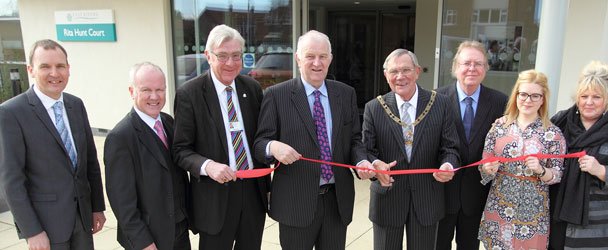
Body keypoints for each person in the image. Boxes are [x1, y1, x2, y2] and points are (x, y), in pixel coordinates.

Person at [253, 30, 374, 250]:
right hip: (295, 203)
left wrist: (361, 162)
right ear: (298, 58)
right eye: (310, 56)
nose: (317, 63)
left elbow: (355, 140)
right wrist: (274, 146)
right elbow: (260, 144)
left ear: (330, 58)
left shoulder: (346, 94)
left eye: (322, 56)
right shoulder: (276, 95)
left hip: (337, 202)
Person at [0, 39, 106, 249]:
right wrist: (32, 231)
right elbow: (11, 182)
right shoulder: (11, 113)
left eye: (60, 66)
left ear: (68, 69)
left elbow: (90, 163)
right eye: (45, 67)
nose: (54, 73)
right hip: (47, 227)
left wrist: (97, 207)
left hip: (83, 220)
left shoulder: (76, 105)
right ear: (31, 70)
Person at [173, 24, 270, 249]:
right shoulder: (190, 94)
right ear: (208, 56)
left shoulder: (252, 88)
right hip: (214, 198)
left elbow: (260, 138)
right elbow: (180, 150)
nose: (230, 63)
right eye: (223, 56)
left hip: (252, 192)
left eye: (236, 56)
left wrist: (268, 188)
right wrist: (208, 166)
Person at [362, 48, 458, 250]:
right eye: (393, 71)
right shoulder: (374, 108)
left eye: (406, 70)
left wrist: (448, 165)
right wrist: (375, 165)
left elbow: (450, 147)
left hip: (426, 199)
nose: (400, 77)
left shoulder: (440, 104)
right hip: (387, 199)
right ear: (385, 75)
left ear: (417, 71)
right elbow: (368, 150)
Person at [549, 61, 608, 249]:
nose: (588, 102)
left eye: (596, 97)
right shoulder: (560, 122)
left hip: (595, 221)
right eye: (584, 96)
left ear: (607, 99)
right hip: (555, 212)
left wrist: (602, 171)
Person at [104, 62, 190, 250]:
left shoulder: (168, 122)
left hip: (179, 230)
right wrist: (143, 242)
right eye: (146, 90)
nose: (154, 96)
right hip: (150, 237)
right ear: (131, 91)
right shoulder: (120, 137)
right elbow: (122, 202)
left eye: (160, 89)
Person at [479, 69, 566, 249]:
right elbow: (484, 162)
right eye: (524, 94)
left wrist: (542, 170)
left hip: (533, 209)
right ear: (516, 95)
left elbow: (557, 174)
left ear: (543, 99)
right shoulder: (499, 126)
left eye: (535, 96)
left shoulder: (553, 133)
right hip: (500, 203)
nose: (528, 100)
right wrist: (488, 168)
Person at [435, 41, 508, 250]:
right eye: (466, 63)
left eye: (478, 63)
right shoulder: (435, 98)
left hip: (477, 194)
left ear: (486, 68)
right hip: (441, 193)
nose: (472, 68)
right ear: (455, 67)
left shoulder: (500, 102)